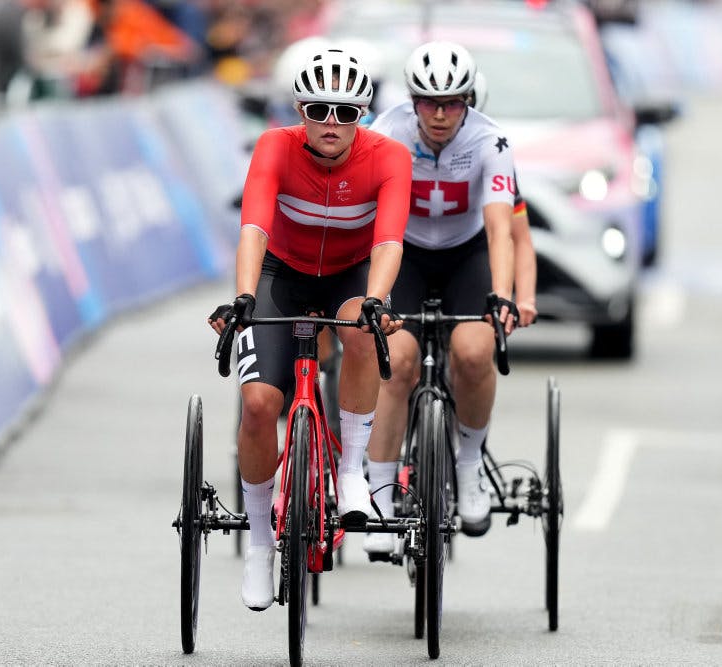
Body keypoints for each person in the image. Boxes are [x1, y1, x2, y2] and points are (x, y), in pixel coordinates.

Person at [207, 47, 412, 611]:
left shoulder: (389, 157)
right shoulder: (275, 146)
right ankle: (259, 543)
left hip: (350, 274)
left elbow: (389, 241)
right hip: (281, 273)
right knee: (256, 406)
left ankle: (351, 471)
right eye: (319, 109)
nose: (330, 123)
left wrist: (375, 300)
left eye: (345, 113)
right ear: (301, 108)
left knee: (362, 330)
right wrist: (245, 296)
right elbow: (253, 226)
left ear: (362, 115)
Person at [363, 41, 519, 554]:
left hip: (465, 254)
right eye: (428, 102)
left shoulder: (491, 141)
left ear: (468, 101)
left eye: (453, 102)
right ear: (411, 100)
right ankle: (381, 491)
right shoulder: (384, 133)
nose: (439, 114)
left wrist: (501, 295)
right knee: (397, 360)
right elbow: (367, 218)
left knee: (474, 353)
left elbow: (501, 228)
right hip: (402, 252)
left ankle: (469, 465)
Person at [470, 70, 537, 328]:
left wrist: (526, 298)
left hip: (471, 256)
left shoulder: (494, 155)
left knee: (472, 352)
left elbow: (518, 237)